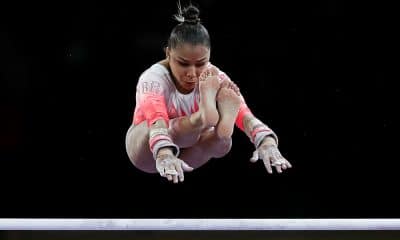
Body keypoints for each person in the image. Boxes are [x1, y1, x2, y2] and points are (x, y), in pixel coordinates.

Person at [125, 2, 292, 184]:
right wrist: (164, 153)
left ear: (210, 56)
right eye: (183, 63)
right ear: (168, 53)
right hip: (146, 149)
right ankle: (202, 118)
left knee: (222, 142)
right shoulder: (153, 79)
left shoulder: (215, 77)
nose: (192, 73)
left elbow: (246, 116)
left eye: (200, 64)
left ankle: (207, 121)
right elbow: (157, 120)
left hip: (184, 156)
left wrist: (267, 142)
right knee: (179, 128)